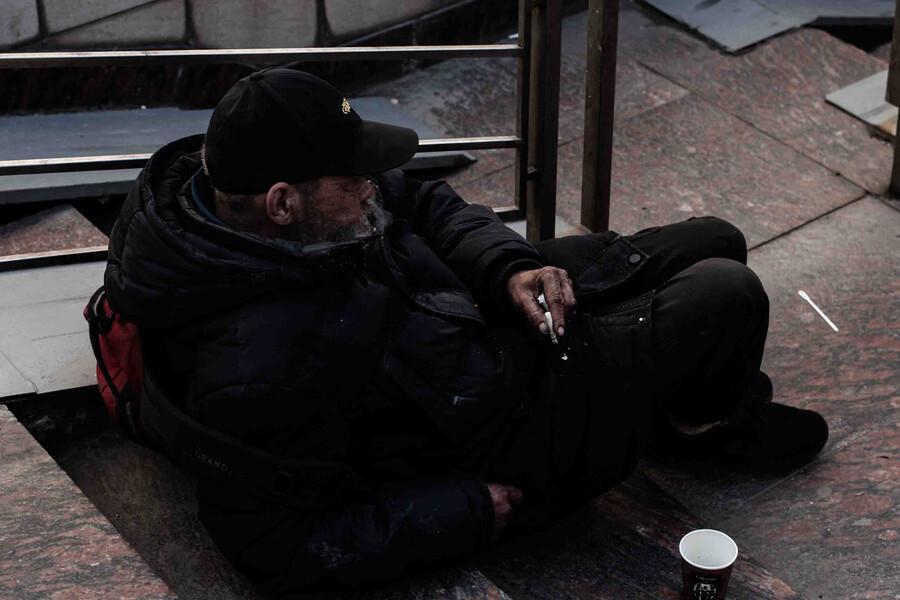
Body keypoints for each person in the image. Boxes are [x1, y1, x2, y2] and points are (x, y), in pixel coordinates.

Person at [104, 67, 828, 594]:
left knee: (717, 236)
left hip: (464, 314)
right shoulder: (255, 365)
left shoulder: (265, 190)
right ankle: (702, 424)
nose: (370, 186)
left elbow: (420, 200)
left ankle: (685, 409)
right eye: (353, 182)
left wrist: (508, 266)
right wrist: (460, 513)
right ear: (282, 204)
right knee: (726, 292)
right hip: (504, 424)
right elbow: (274, 549)